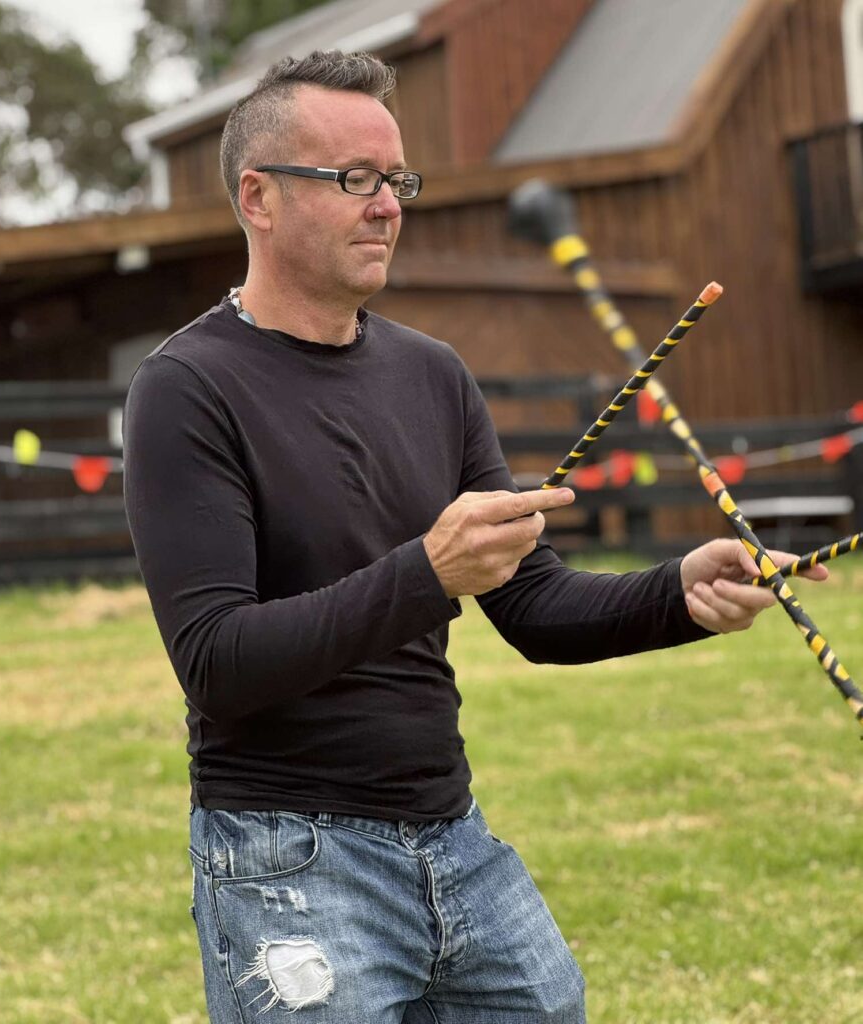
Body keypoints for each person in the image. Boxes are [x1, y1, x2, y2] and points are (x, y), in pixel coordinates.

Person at [122, 50, 825, 1024]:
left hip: (452, 834)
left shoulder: (432, 374)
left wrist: (677, 592)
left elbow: (532, 605)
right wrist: (425, 572)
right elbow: (217, 660)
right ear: (259, 197)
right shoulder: (186, 389)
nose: (386, 205)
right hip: (285, 851)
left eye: (396, 180)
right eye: (352, 179)